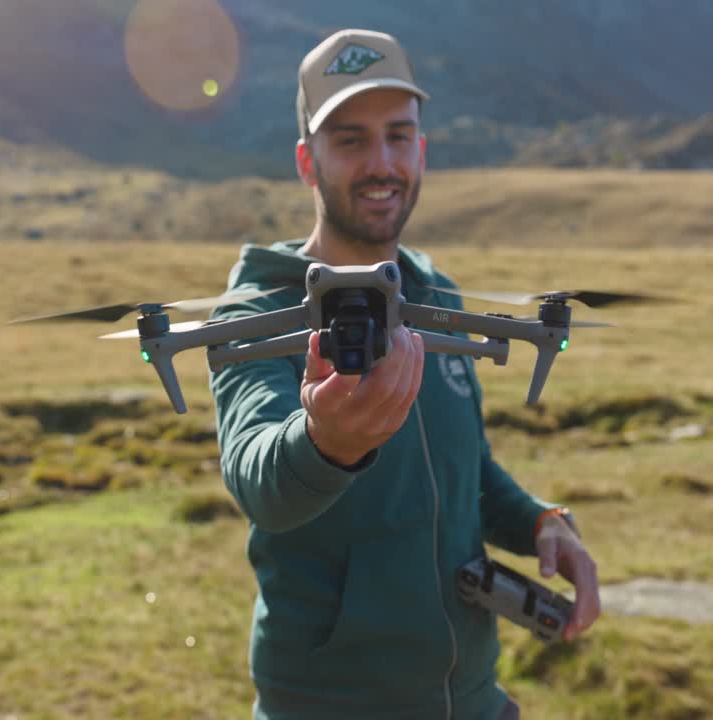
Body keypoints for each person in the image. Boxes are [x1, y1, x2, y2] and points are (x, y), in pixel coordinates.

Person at [209, 28, 600, 720]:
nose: (380, 162)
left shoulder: (437, 297)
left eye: (398, 135)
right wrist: (326, 443)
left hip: (472, 701)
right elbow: (260, 480)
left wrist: (541, 522)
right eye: (350, 140)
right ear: (308, 162)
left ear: (421, 150)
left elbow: (467, 470)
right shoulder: (257, 311)